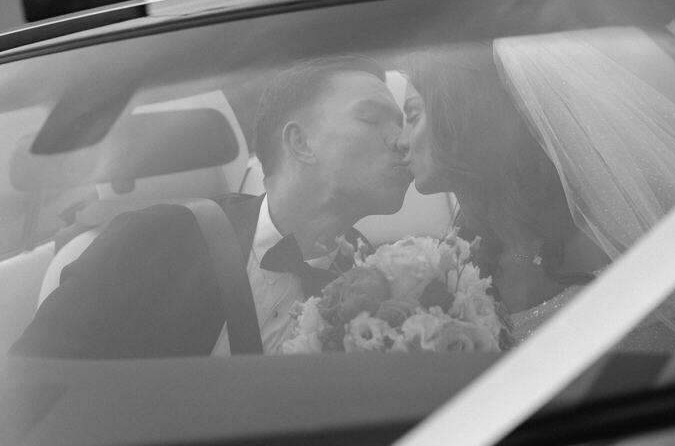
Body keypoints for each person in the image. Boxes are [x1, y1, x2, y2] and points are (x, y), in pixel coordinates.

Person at [10, 55, 411, 359]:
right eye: (372, 118)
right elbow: (31, 395)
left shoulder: (385, 282)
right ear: (301, 143)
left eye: (402, 123)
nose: (402, 140)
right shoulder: (147, 243)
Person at [398, 30, 675, 354]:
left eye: (412, 115)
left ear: (460, 116)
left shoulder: (601, 234)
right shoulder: (465, 244)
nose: (401, 141)